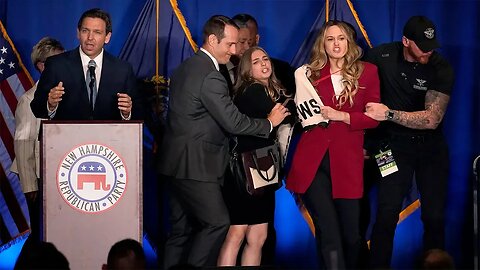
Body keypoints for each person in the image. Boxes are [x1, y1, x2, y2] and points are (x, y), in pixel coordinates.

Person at [157, 15, 289, 269]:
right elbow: (234, 123)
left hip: (173, 163)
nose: (233, 50)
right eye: (229, 44)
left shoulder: (186, 66)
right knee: (217, 224)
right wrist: (269, 123)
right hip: (197, 165)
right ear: (212, 40)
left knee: (180, 232)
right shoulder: (212, 76)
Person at [286, 20, 380, 269]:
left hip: (347, 161)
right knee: (328, 233)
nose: (336, 44)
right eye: (330, 39)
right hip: (314, 161)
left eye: (341, 38)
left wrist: (345, 116)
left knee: (351, 236)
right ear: (323, 44)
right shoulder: (307, 74)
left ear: (349, 41)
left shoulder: (367, 71)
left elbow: (374, 118)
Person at [363, 15, 454, 268]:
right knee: (386, 212)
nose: (428, 52)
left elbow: (432, 119)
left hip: (431, 147)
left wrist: (389, 114)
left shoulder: (441, 67)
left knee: (434, 216)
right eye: (423, 47)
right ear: (405, 41)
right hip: (389, 147)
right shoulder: (379, 57)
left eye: (432, 46)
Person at [217, 46, 293, 267]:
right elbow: (286, 116)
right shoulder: (251, 90)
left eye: (265, 59)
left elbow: (284, 114)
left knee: (258, 236)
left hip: (263, 171)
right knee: (237, 233)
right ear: (247, 70)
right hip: (244, 172)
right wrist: (281, 113)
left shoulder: (270, 91)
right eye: (256, 61)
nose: (264, 64)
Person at [30, 8, 138, 121]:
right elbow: (36, 107)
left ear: (107, 37)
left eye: (97, 32)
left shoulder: (122, 69)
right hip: (67, 137)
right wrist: (50, 104)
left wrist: (127, 113)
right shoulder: (56, 65)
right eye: (85, 31)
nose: (90, 38)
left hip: (108, 138)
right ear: (78, 33)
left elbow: (139, 111)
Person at [10, 37, 64, 243]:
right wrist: (30, 184)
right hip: (39, 178)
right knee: (42, 235)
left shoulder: (69, 94)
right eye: (56, 60)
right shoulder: (29, 99)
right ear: (41, 66)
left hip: (62, 173)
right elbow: (23, 142)